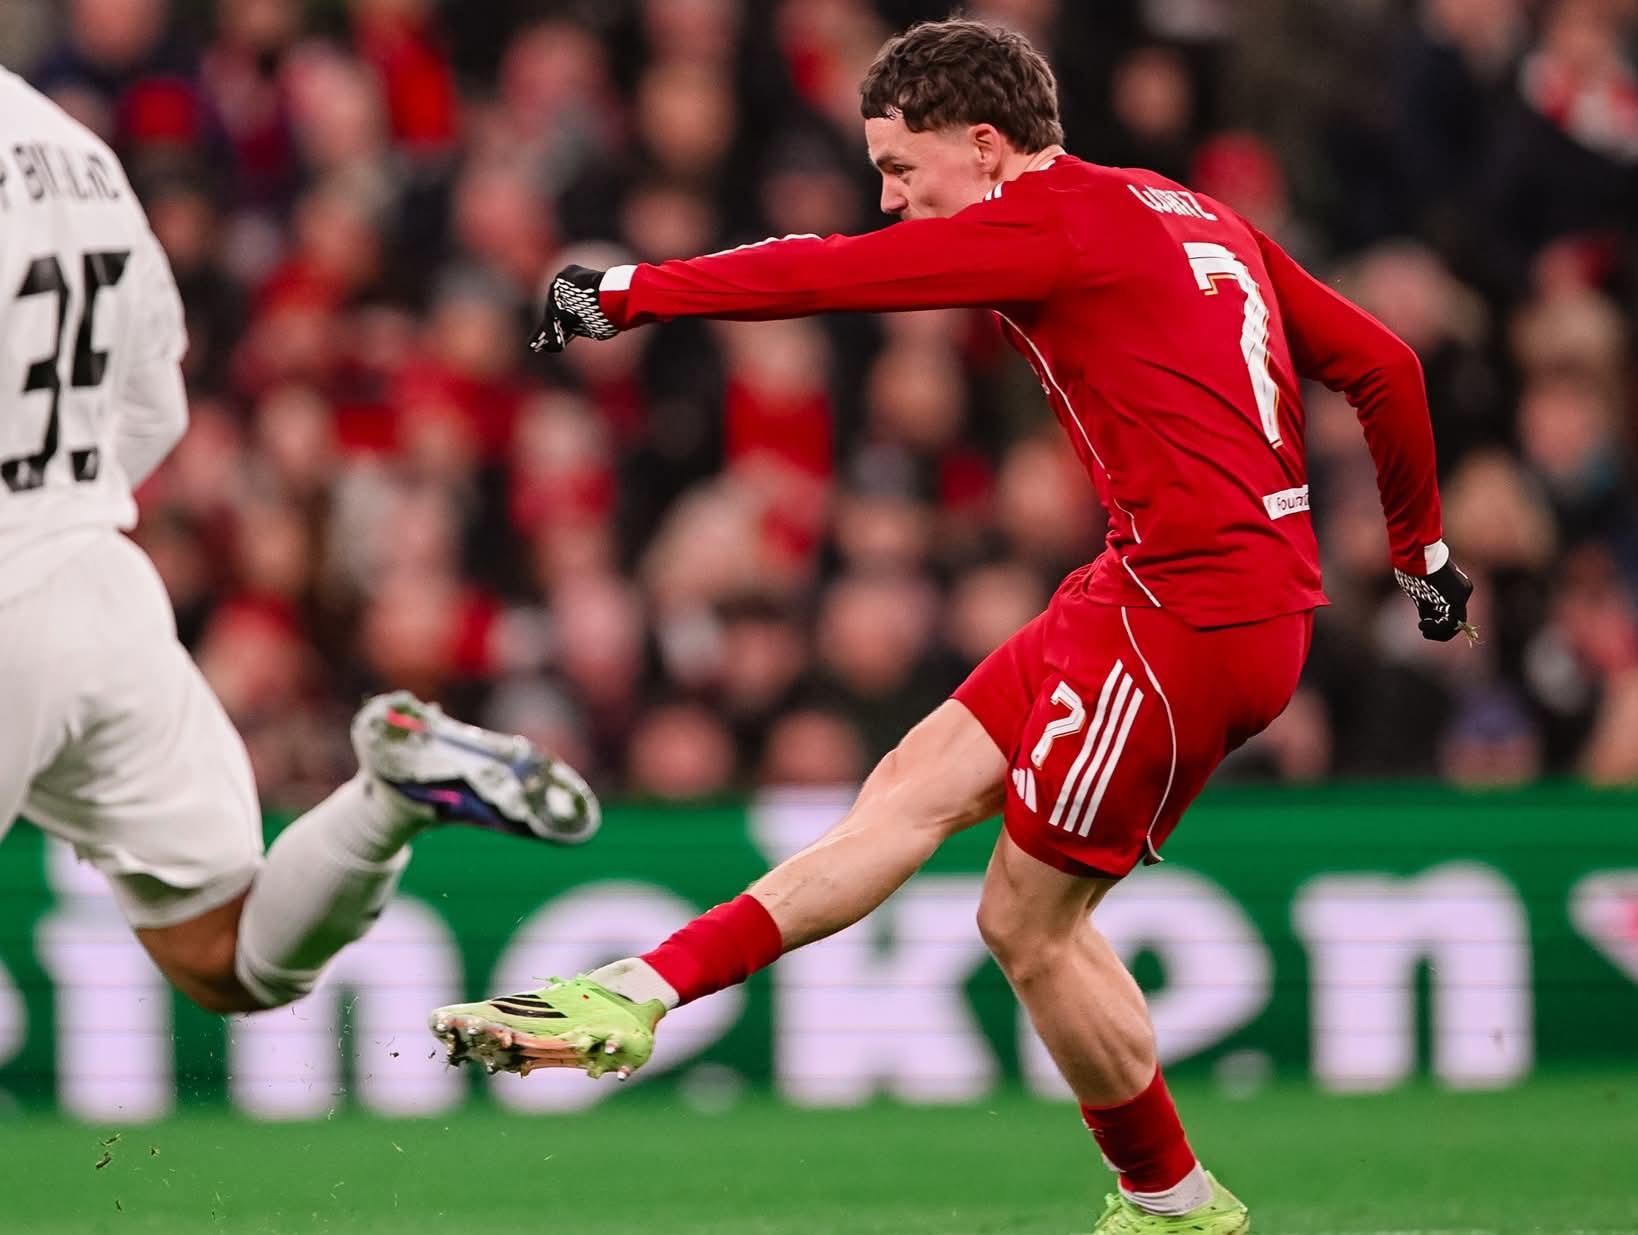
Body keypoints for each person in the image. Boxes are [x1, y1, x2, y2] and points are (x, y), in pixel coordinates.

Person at [429, 19, 1473, 1235]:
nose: (890, 196)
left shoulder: (1045, 223)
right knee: (905, 789)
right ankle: (642, 985)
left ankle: (1174, 1204)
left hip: (1189, 617)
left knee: (1025, 923)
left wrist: (628, 291)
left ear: (983, 146)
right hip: (1151, 587)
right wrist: (1424, 558)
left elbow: (824, 274)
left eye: (899, 167)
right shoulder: (1182, 206)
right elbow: (1383, 363)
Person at [0, 67, 599, 1017]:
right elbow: (154, 405)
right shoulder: (80, 154)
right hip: (95, 576)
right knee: (230, 951)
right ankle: (388, 802)